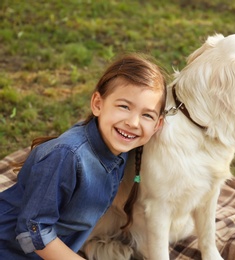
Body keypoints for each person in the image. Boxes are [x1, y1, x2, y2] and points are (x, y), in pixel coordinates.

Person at [0, 53, 167, 259]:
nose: (133, 122)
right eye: (124, 106)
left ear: (158, 125)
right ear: (97, 104)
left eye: (147, 115)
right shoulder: (67, 156)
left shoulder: (125, 148)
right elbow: (33, 232)